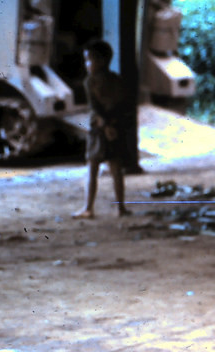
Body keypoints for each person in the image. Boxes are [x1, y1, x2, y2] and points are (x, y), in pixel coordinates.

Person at [72, 39, 130, 219]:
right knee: (116, 169)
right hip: (114, 127)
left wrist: (104, 125)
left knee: (92, 168)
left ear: (101, 61)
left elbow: (95, 108)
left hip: (98, 129)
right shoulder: (117, 80)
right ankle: (121, 208)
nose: (87, 64)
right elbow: (122, 106)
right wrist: (112, 126)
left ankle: (88, 208)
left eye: (89, 60)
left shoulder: (90, 82)